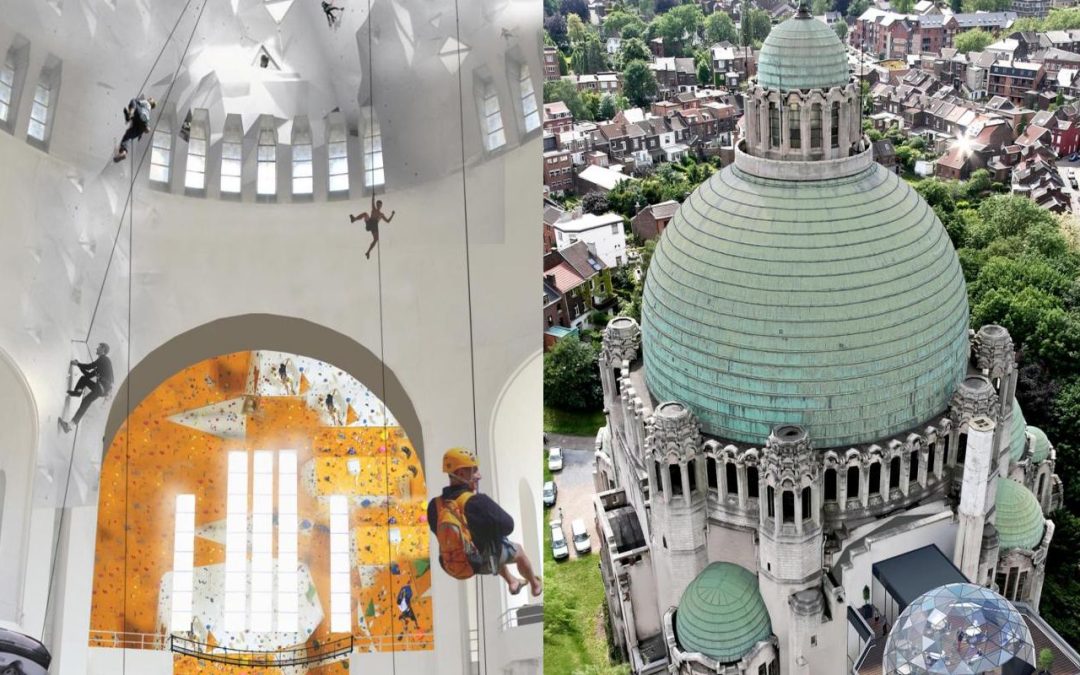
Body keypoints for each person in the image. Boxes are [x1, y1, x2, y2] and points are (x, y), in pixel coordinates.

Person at [428, 448, 542, 596]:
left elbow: (437, 531)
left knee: (489, 542)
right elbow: (508, 526)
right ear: (461, 474)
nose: (479, 476)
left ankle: (512, 582)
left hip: (451, 565)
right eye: (474, 470)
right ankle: (535, 584)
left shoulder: (434, 506)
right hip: (478, 562)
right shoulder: (477, 502)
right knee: (516, 550)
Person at [59, 342, 113, 433]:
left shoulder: (104, 359)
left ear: (103, 349)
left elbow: (89, 367)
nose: (96, 349)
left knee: (85, 399)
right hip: (102, 389)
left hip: (102, 387)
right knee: (85, 398)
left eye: (99, 347)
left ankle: (77, 393)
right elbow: (88, 374)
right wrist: (78, 365)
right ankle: (69, 426)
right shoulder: (102, 365)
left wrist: (77, 364)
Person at [113, 95, 157, 162]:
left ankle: (130, 114)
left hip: (140, 116)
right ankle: (123, 152)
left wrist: (131, 110)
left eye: (150, 99)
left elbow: (137, 103)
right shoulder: (149, 111)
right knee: (127, 136)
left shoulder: (146, 103)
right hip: (142, 126)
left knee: (134, 101)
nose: (149, 98)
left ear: (151, 102)